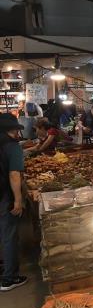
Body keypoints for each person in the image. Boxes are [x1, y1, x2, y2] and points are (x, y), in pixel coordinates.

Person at [0, 114, 27, 292]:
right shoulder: (12, 147)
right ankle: (9, 278)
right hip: (4, 195)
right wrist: (18, 200)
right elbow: (14, 175)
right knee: (9, 235)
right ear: (12, 130)